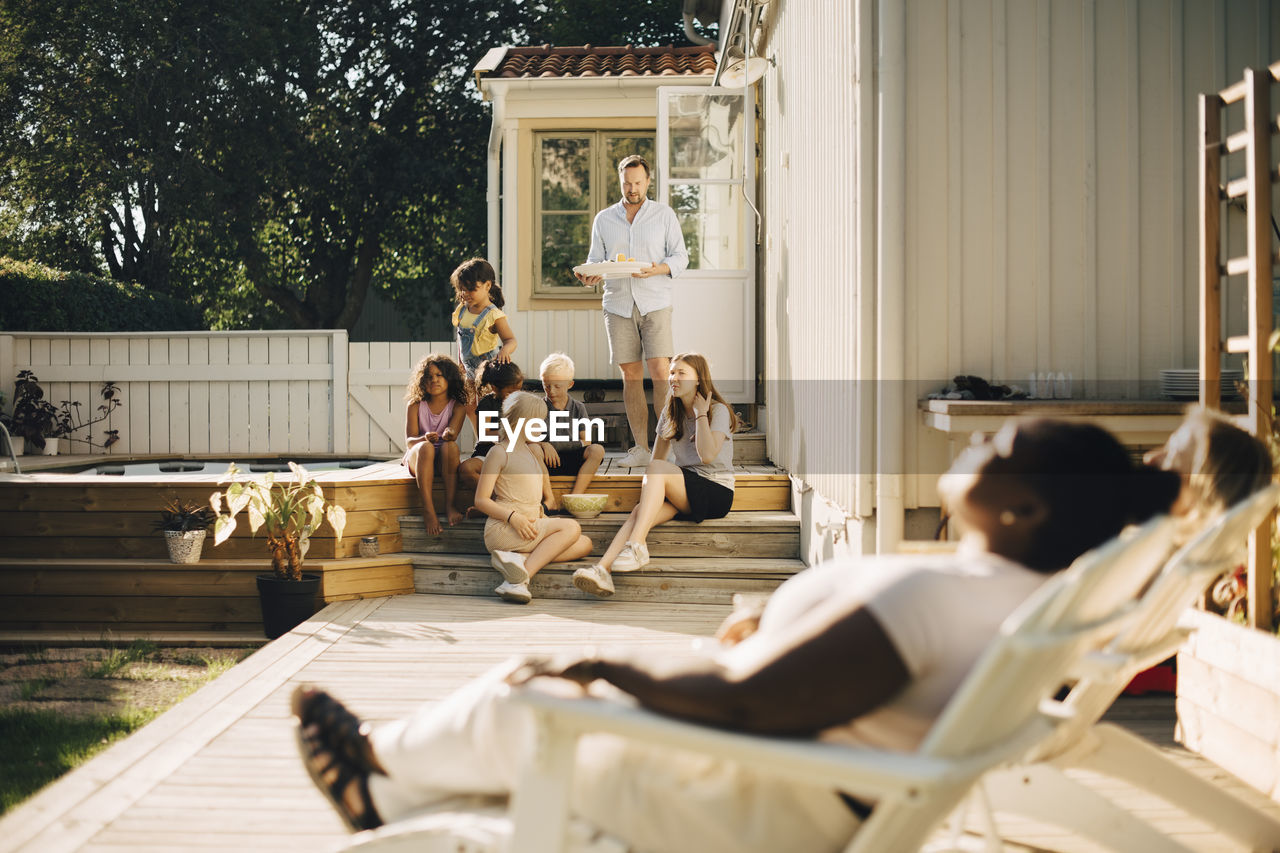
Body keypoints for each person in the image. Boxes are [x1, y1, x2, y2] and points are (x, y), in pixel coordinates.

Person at [293, 417, 1192, 851]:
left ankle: (374, 763)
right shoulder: (991, 590)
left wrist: (604, 667)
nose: (981, 437)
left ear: (1027, 506)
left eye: (1001, 444)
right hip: (797, 784)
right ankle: (384, 800)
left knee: (529, 701)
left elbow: (755, 703)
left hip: (754, 802)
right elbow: (810, 683)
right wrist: (767, 629)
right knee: (530, 756)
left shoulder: (946, 597)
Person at [572, 352, 736, 598]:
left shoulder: (717, 410)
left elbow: (708, 456)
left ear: (699, 379)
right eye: (671, 372)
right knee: (640, 510)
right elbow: (656, 460)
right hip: (685, 491)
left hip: (716, 492)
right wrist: (654, 493)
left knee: (657, 472)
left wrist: (701, 414)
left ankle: (637, 545)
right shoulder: (670, 413)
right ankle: (602, 570)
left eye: (681, 373)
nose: (673, 378)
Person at [574, 155, 689, 469]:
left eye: (638, 183)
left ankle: (668, 445)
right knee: (630, 376)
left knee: (660, 373)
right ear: (620, 180)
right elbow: (597, 260)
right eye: (627, 183)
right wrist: (590, 277)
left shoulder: (663, 215)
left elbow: (681, 257)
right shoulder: (604, 219)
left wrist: (657, 269)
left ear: (648, 181)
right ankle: (640, 447)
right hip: (618, 304)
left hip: (655, 302)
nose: (633, 188)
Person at [468, 391, 594, 604]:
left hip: (531, 525)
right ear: (520, 422)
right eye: (539, 422)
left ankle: (519, 560)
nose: (543, 427)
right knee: (572, 528)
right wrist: (513, 517)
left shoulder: (530, 451)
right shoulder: (499, 453)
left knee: (585, 544)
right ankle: (520, 580)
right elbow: (481, 500)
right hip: (505, 528)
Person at [401, 354, 468, 536]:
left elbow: (452, 432)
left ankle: (450, 504)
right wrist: (424, 439)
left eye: (439, 375)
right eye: (429, 376)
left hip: (443, 461)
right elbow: (409, 442)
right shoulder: (415, 405)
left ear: (449, 378)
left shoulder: (458, 406)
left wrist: (449, 433)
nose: (434, 380)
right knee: (426, 448)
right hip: (420, 458)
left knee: (451, 447)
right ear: (422, 381)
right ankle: (428, 509)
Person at [536, 352, 605, 497]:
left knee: (597, 450)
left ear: (570, 384)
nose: (551, 391)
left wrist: (553, 444)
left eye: (557, 386)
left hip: (572, 458)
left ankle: (575, 496)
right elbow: (530, 438)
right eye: (546, 386)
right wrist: (544, 445)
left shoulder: (578, 407)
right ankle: (547, 496)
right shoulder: (538, 407)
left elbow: (586, 441)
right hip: (547, 462)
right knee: (533, 449)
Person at [458, 360, 526, 491]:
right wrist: (508, 435)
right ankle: (495, 499)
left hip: (514, 454)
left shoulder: (521, 402)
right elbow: (484, 434)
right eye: (510, 392)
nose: (515, 395)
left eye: (518, 391)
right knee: (466, 469)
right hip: (488, 452)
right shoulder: (487, 404)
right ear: (495, 388)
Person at [452, 258, 516, 378]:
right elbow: (461, 339)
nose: (465, 294)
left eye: (471, 289)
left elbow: (510, 340)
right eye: (462, 289)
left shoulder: (493, 315)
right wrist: (460, 361)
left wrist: (505, 350)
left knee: (486, 397)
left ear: (487, 285)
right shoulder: (462, 310)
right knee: (471, 396)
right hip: (468, 371)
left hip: (489, 373)